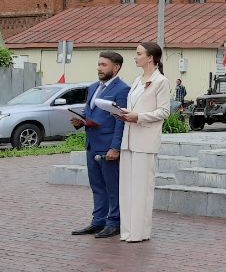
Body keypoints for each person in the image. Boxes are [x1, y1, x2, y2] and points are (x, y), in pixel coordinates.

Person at [114, 41, 171, 243]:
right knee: (127, 188)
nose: (135, 57)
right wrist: (124, 114)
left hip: (145, 141)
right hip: (129, 140)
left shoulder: (161, 81)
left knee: (141, 189)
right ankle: (127, 231)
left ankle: (140, 232)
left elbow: (164, 111)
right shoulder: (138, 80)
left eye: (138, 53)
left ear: (150, 57)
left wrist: (138, 116)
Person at [70, 51, 130, 239]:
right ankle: (98, 222)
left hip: (108, 146)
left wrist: (116, 147)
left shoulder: (122, 90)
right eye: (99, 65)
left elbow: (121, 120)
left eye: (104, 65)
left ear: (116, 67)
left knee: (112, 187)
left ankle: (114, 223)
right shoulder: (93, 86)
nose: (99, 68)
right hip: (92, 143)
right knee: (96, 186)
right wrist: (81, 121)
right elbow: (91, 112)